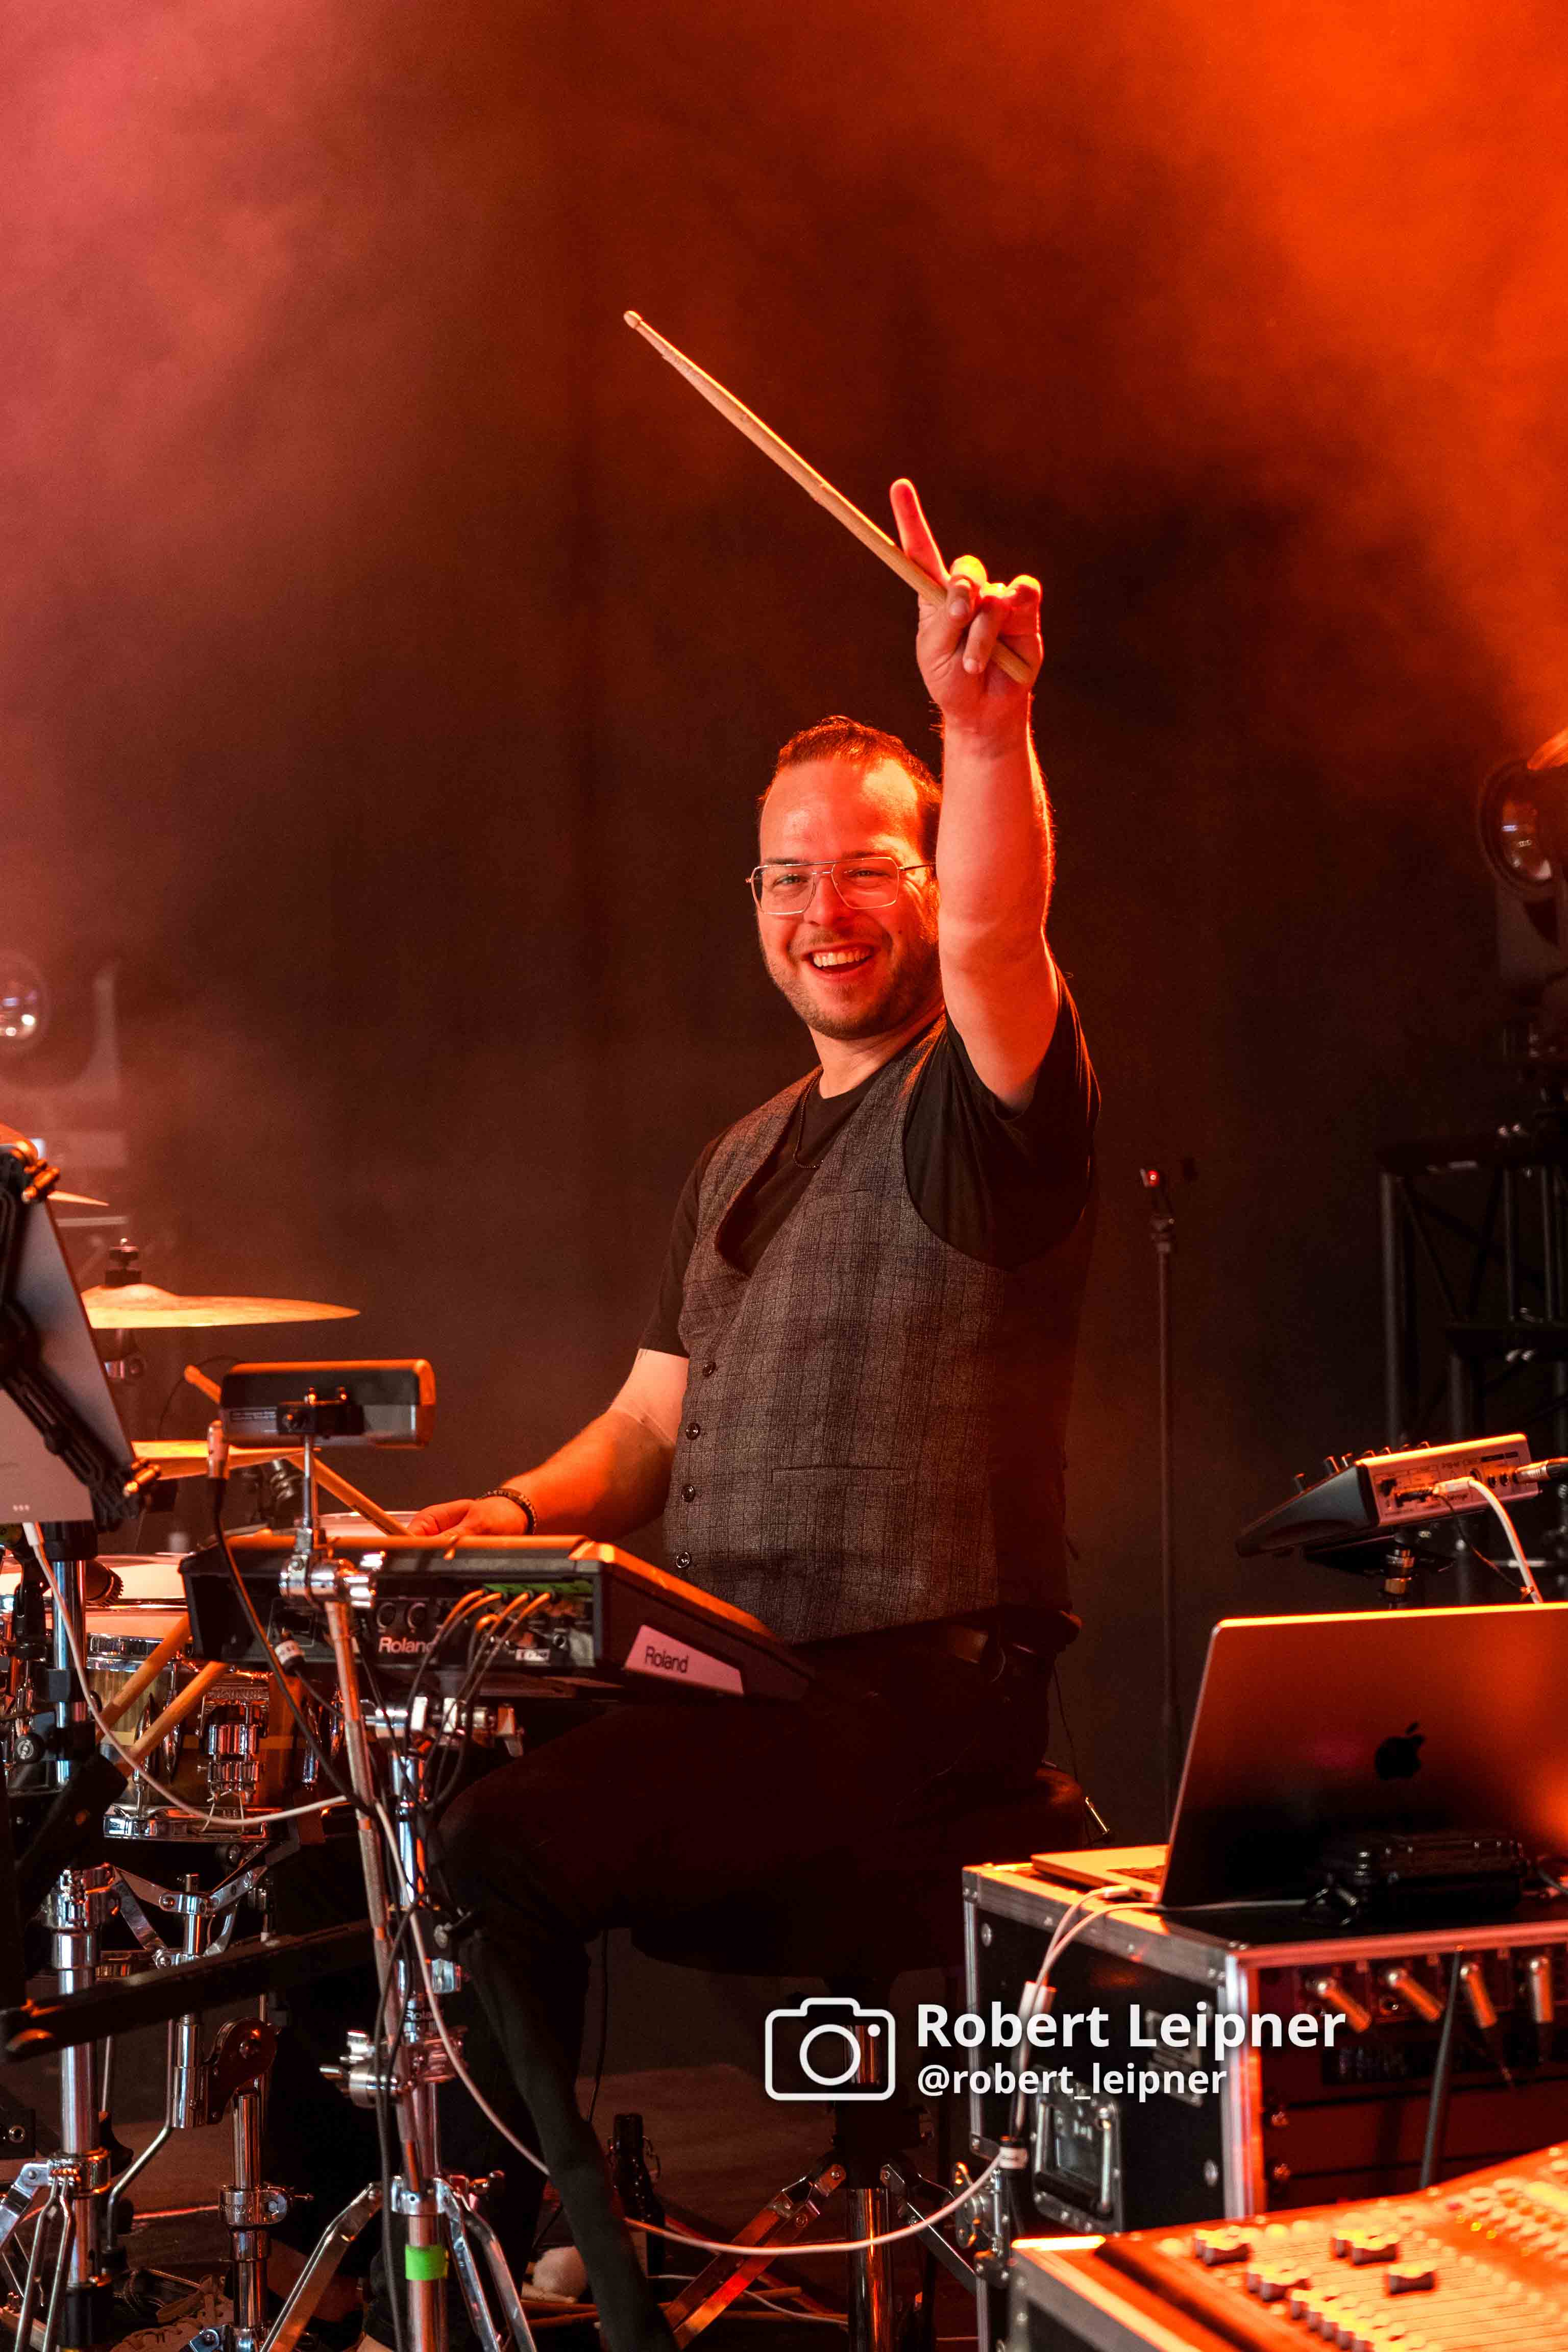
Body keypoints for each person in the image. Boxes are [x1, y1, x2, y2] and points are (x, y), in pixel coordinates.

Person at [411, 481, 1099, 2352]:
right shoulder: (737, 1152)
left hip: (910, 1706)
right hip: (738, 1686)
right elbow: (647, 1432)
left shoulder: (984, 1100)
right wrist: (494, 1518)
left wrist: (984, 732)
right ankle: (425, 2247)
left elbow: (1004, 938)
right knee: (400, 1798)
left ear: (929, 879)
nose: (823, 912)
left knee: (498, 1847)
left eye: (866, 869)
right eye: (787, 879)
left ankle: (559, 2280)